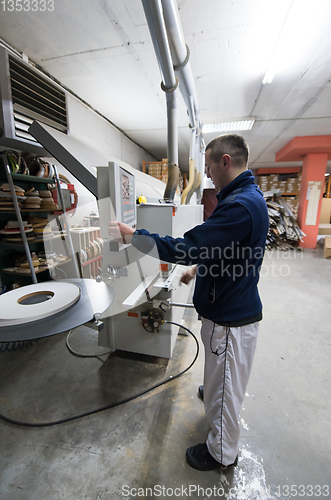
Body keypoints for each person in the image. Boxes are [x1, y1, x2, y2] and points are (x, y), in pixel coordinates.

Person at [108, 134, 269, 471]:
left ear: (225, 161)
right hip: (227, 307)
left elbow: (188, 246)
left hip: (230, 317)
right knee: (218, 378)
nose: (207, 173)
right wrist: (199, 269)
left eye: (209, 165)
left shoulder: (240, 205)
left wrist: (133, 236)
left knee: (225, 390)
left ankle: (221, 453)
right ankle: (214, 395)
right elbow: (224, 247)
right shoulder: (240, 197)